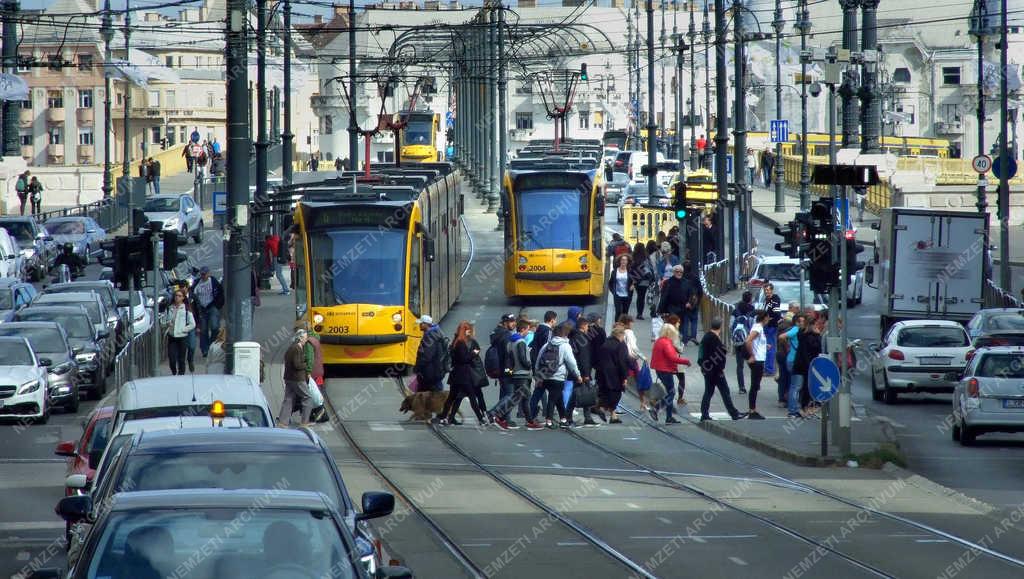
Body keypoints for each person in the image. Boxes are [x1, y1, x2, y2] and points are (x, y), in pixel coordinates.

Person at [440, 321, 488, 426]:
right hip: (463, 375)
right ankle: (481, 419)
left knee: (454, 397)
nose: (469, 332)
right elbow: (464, 359)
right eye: (468, 330)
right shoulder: (461, 343)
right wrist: (474, 353)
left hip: (456, 375)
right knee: (471, 397)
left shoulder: (456, 342)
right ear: (465, 331)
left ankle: (446, 417)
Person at [698, 317, 746, 421]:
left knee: (709, 392)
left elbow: (702, 354)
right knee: (725, 391)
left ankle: (704, 414)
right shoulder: (713, 338)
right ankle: (734, 413)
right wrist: (720, 368)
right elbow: (716, 356)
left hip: (708, 369)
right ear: (720, 326)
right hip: (715, 371)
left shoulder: (707, 336)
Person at [533, 322, 580, 428]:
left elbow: (538, 360)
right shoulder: (565, 346)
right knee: (553, 399)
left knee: (558, 398)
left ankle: (563, 419)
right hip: (558, 377)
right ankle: (549, 421)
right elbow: (571, 363)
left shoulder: (547, 345)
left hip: (545, 377)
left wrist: (538, 376)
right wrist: (578, 375)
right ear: (565, 335)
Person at [491, 319, 533, 429]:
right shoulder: (517, 341)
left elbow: (509, 358)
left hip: (509, 371)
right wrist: (529, 365)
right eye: (527, 330)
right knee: (512, 396)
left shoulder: (509, 340)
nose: (528, 332)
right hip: (517, 372)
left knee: (510, 395)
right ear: (523, 329)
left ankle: (502, 418)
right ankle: (494, 414)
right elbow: (522, 359)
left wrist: (510, 370)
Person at [649, 323, 691, 424]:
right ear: (669, 333)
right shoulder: (666, 343)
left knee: (669, 393)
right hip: (665, 370)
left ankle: (669, 417)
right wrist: (686, 361)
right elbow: (672, 357)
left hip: (660, 369)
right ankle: (656, 408)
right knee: (671, 393)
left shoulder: (659, 341)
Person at [595, 325, 630, 423]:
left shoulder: (606, 343)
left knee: (605, 392)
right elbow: (622, 362)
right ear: (621, 335)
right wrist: (624, 377)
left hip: (602, 373)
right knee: (615, 394)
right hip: (614, 375)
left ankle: (613, 416)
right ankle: (601, 407)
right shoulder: (620, 345)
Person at [566, 316, 596, 427]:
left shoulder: (573, 337)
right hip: (581, 372)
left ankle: (571, 416)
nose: (588, 328)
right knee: (582, 393)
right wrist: (586, 374)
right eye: (587, 326)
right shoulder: (581, 338)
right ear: (583, 326)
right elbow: (584, 358)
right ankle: (572, 417)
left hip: (575, 371)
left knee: (579, 393)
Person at [279, 329, 313, 427]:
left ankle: (283, 422)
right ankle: (304, 422)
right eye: (305, 338)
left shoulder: (291, 348)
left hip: (289, 377)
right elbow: (297, 365)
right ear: (300, 338)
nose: (306, 340)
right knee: (308, 397)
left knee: (289, 399)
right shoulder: (297, 348)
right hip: (297, 379)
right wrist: (306, 364)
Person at [486, 313, 516, 422]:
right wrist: (509, 370)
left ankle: (504, 418)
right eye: (511, 322)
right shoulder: (506, 335)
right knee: (511, 394)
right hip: (506, 368)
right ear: (505, 323)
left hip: (498, 367)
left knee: (504, 393)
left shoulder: (496, 332)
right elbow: (508, 354)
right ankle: (493, 412)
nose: (514, 323)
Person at [791, 313, 822, 418]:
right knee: (805, 388)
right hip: (808, 364)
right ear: (812, 324)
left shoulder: (801, 334)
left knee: (799, 387)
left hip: (800, 363)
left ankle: (800, 408)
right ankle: (804, 408)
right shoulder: (811, 336)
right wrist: (818, 335)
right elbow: (817, 349)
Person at [190, 266, 224, 357]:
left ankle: (211, 345)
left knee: (215, 327)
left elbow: (220, 293)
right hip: (202, 308)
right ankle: (205, 349)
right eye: (202, 274)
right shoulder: (197, 283)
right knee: (203, 330)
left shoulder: (213, 282)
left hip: (212, 306)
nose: (203, 276)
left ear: (209, 274)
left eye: (205, 274)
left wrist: (218, 305)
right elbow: (192, 294)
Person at [162, 290, 195, 375]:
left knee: (181, 359)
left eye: (180, 296)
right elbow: (162, 321)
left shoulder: (186, 309)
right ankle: (174, 372)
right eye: (176, 295)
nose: (177, 297)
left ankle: (181, 376)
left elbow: (192, 324)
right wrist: (167, 323)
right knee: (172, 359)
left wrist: (183, 329)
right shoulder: (170, 308)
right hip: (172, 337)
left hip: (182, 337)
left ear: (183, 298)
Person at [743, 311, 769, 419]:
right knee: (754, 386)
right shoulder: (758, 328)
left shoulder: (757, 327)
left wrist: (765, 345)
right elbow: (748, 341)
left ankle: (752, 409)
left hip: (759, 359)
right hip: (757, 360)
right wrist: (752, 355)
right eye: (768, 318)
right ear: (765, 318)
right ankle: (752, 410)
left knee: (755, 385)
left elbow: (754, 341)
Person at [413, 314, 447, 393]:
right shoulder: (436, 333)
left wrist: (417, 368)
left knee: (424, 395)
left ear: (425, 324)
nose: (419, 325)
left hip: (430, 372)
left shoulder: (429, 336)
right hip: (437, 370)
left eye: (421, 324)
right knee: (436, 391)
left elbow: (425, 356)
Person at [731, 291, 755, 394]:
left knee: (739, 365)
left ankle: (741, 387)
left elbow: (731, 325)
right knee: (753, 363)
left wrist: (733, 338)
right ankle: (755, 385)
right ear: (750, 299)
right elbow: (753, 325)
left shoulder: (735, 310)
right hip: (749, 340)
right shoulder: (752, 310)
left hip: (739, 341)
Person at [630, 243, 655, 320]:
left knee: (639, 296)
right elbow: (651, 267)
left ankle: (639, 313)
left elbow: (631, 268)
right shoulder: (646, 257)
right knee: (642, 296)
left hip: (636, 279)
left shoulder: (633, 256)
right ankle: (640, 314)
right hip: (645, 279)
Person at [762, 282, 783, 376]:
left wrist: (770, 318)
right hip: (767, 326)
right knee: (768, 347)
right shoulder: (767, 300)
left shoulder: (774, 299)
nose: (767, 292)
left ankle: (769, 370)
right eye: (765, 290)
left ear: (772, 290)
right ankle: (767, 368)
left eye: (768, 290)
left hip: (771, 326)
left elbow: (776, 312)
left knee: (770, 347)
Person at [609, 254, 633, 321]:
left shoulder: (630, 271)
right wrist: (613, 292)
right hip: (617, 295)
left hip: (627, 295)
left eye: (625, 260)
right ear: (619, 261)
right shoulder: (614, 271)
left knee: (625, 312)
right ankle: (617, 326)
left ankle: (624, 326)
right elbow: (610, 283)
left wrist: (633, 285)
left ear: (627, 261)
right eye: (622, 260)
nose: (624, 261)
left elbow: (637, 279)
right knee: (618, 311)